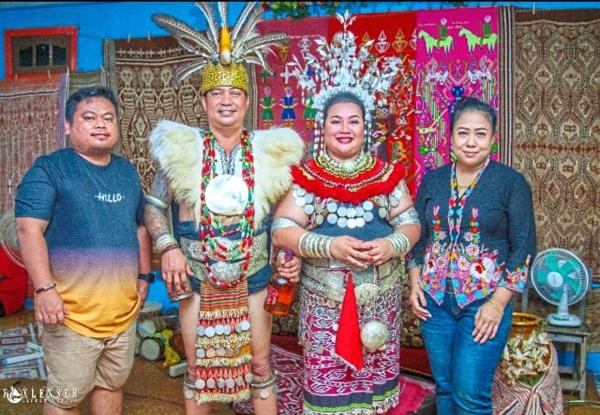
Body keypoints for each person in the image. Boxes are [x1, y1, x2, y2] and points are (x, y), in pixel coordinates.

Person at [147, 3, 303, 414]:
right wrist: (169, 247)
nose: (226, 100)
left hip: (253, 273)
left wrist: (287, 255)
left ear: (247, 100)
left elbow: (289, 215)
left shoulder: (272, 151)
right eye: (217, 92)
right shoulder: (180, 149)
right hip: (197, 274)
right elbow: (152, 206)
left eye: (235, 92)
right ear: (203, 102)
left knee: (260, 364)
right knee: (199, 369)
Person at [271, 13, 421, 414]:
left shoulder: (387, 175)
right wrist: (329, 245)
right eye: (336, 120)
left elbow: (411, 222)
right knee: (329, 389)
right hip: (327, 303)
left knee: (375, 393)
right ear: (322, 126)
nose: (345, 128)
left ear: (366, 127)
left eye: (353, 121)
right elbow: (282, 228)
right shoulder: (308, 177)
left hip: (380, 301)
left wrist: (392, 244)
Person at [15, 86, 152, 414]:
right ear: (67, 126)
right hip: (71, 314)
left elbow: (140, 226)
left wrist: (145, 275)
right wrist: (44, 288)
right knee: (66, 399)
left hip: (122, 312)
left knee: (111, 384)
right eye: (89, 117)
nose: (101, 124)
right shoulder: (49, 169)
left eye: (108, 118)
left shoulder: (126, 172)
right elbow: (28, 229)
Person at [407, 96, 536, 414]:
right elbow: (418, 237)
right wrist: (414, 284)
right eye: (463, 133)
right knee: (446, 389)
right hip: (434, 302)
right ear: (450, 137)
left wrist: (496, 305)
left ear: (494, 139)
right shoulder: (433, 180)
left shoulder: (511, 183)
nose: (471, 142)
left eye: (480, 134)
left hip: (484, 302)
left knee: (471, 394)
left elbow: (524, 247)